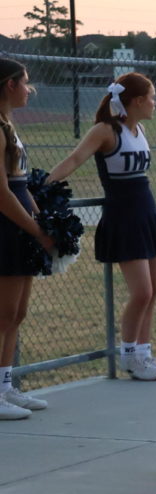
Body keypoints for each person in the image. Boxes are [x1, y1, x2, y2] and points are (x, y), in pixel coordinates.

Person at [48, 73, 156, 381]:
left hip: (148, 213)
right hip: (124, 216)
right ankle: (129, 355)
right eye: (152, 97)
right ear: (137, 101)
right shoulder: (105, 130)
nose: (155, 103)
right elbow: (75, 158)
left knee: (154, 290)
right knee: (141, 292)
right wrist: (44, 187)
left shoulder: (140, 128)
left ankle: (144, 354)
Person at [0, 60, 55, 419]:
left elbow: (19, 183)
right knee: (2, 314)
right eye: (25, 83)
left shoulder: (9, 125)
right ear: (8, 85)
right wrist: (35, 229)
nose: (28, 89)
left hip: (21, 224)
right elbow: (1, 193)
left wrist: (44, 220)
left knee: (16, 313)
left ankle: (6, 386)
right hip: (5, 227)